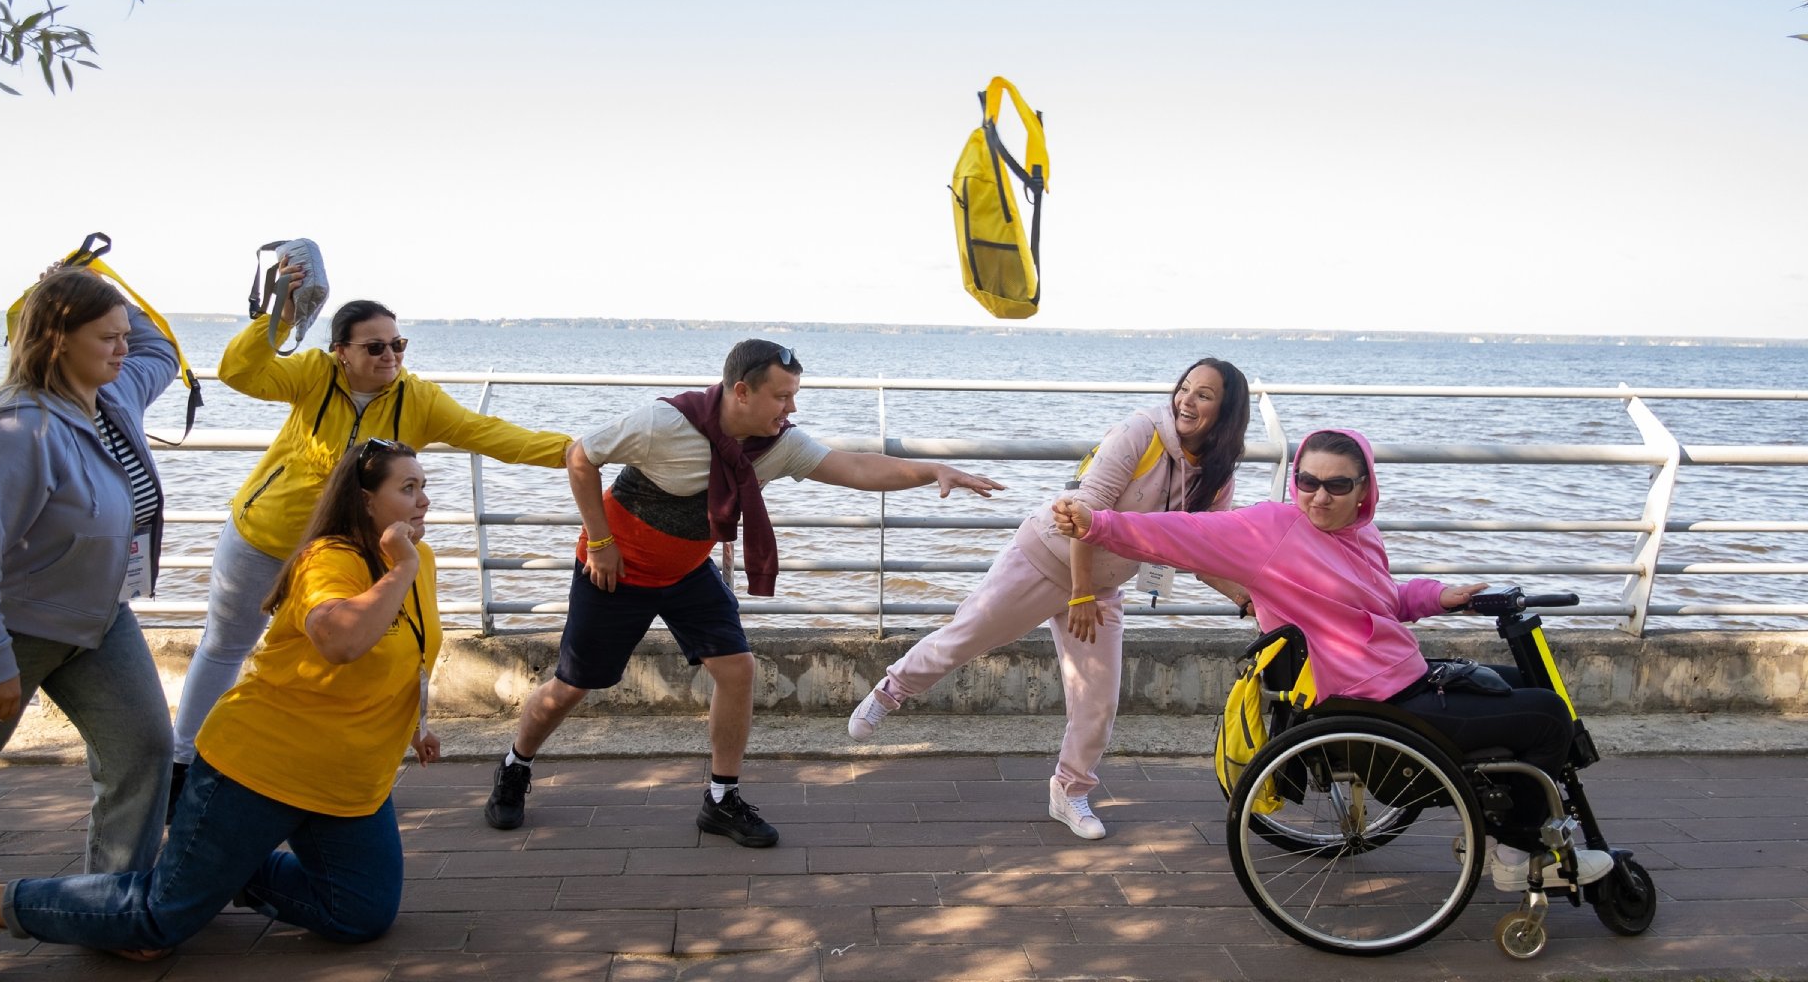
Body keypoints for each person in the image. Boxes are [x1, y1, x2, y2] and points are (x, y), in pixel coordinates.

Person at [0, 440, 443, 982]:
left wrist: (414, 726)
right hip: (263, 767)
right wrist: (399, 567)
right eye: (408, 488)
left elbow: (411, 653)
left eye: (424, 486)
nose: (424, 499)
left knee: (359, 912)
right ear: (365, 500)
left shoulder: (417, 560)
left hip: (346, 781)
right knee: (157, 918)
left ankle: (217, 868)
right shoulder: (330, 560)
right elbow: (341, 640)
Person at [482, 339, 1005, 846]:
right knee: (572, 686)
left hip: (687, 572)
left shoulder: (779, 445)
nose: (791, 408)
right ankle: (515, 765)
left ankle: (721, 799)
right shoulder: (664, 423)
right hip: (615, 571)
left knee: (737, 669)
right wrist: (599, 542)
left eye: (793, 395)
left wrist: (933, 470)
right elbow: (581, 457)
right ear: (741, 392)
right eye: (782, 396)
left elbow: (856, 466)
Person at [1051, 427, 1614, 891]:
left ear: (1364, 489)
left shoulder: (1361, 536)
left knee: (1521, 684)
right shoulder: (1270, 529)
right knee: (1547, 715)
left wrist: (1441, 596)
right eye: (1308, 481)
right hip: (1371, 699)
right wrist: (1097, 523)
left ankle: (1496, 823)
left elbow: (1384, 602)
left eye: (1337, 485)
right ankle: (1516, 853)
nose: (1319, 497)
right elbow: (1177, 533)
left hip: (1398, 678)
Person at [169, 280, 571, 804]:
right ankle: (182, 767)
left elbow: (491, 434)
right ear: (341, 351)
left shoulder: (418, 399)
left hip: (345, 556)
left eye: (398, 344)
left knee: (343, 659)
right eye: (375, 346)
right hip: (263, 537)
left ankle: (316, 775)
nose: (390, 356)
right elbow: (239, 372)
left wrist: (577, 451)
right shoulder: (313, 374)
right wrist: (282, 317)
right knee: (225, 647)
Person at [0, 267, 178, 967]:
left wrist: (93, 279)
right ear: (57, 340)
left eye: (123, 334)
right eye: (107, 337)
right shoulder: (15, 432)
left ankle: (108, 908)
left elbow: (161, 352)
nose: (123, 348)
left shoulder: (114, 396)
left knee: (144, 753)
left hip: (97, 624)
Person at [846, 358, 1252, 840]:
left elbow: (1202, 551)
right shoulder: (1140, 433)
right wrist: (1080, 595)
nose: (1186, 400)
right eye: (1185, 388)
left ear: (1226, 411)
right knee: (964, 639)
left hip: (1100, 589)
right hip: (1043, 557)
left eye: (1204, 395)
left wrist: (1246, 597)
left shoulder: (1216, 475)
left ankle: (1070, 790)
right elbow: (1081, 513)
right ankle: (891, 690)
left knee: (1098, 700)